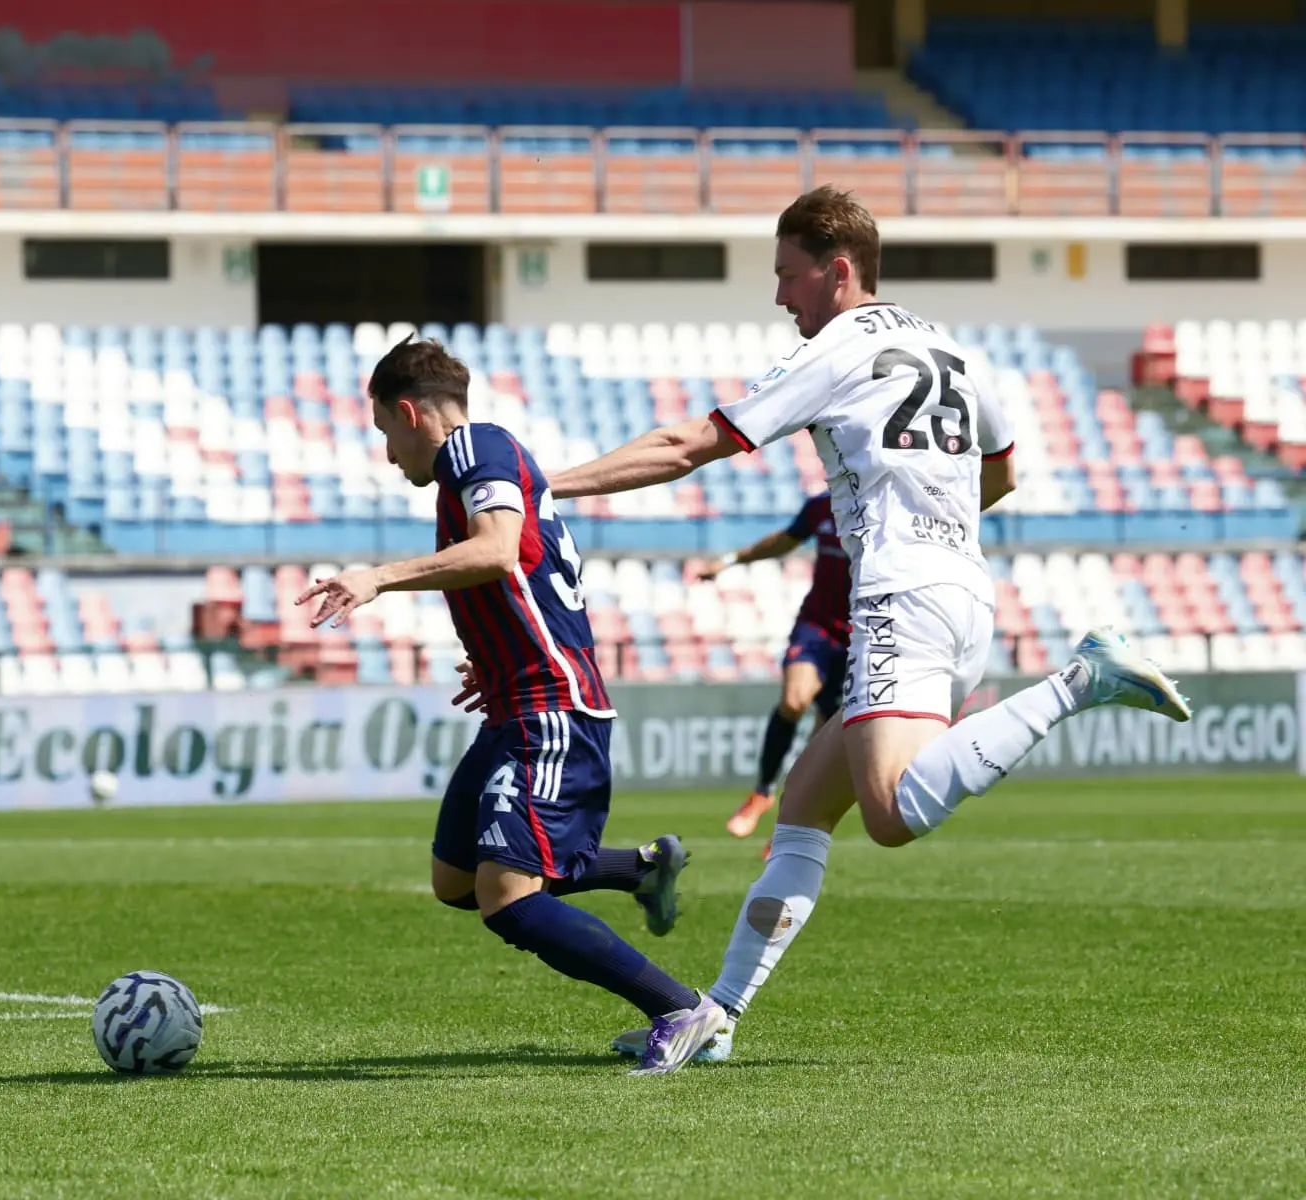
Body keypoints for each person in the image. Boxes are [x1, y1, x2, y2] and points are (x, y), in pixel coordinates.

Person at [549, 186, 1191, 1074]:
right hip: (963, 590)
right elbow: (1000, 470)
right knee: (806, 811)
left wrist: (549, 488)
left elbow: (690, 445)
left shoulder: (841, 346)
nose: (781, 299)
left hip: (899, 597)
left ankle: (1083, 678)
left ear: (837, 269)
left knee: (889, 815)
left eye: (788, 275)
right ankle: (716, 1014)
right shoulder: (948, 347)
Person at [297, 336, 719, 1073]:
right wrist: (492, 658)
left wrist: (380, 577)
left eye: (385, 434)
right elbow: (524, 567)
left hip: (549, 705)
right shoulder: (472, 468)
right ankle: (638, 870)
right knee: (456, 880)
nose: (389, 453)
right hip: (513, 696)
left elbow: (497, 550)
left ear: (409, 413)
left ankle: (680, 1008)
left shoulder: (474, 449)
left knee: (508, 897)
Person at [700, 491, 850, 850]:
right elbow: (785, 540)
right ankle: (762, 792)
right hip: (816, 626)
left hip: (861, 634)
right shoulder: (821, 506)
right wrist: (731, 560)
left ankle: (788, 823)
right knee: (795, 700)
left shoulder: (884, 506)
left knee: (823, 741)